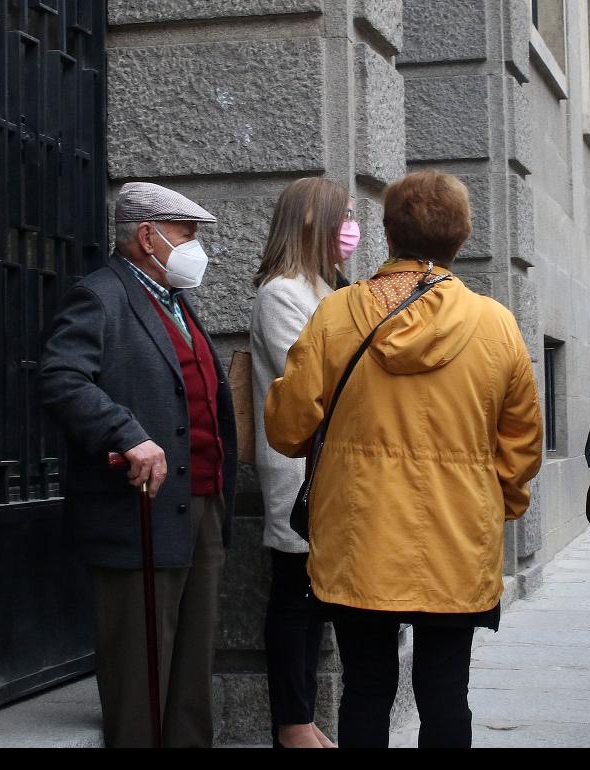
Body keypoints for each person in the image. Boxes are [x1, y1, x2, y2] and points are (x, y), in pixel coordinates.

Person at [264, 170, 543, 748]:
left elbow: (288, 429)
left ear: (387, 236)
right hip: (457, 535)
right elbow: (521, 443)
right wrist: (501, 503)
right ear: (461, 240)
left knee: (366, 689)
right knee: (446, 693)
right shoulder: (496, 325)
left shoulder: (336, 315)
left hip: (358, 534)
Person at [39, 182, 238, 748]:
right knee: (140, 674)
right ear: (147, 236)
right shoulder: (100, 296)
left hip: (198, 505)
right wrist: (126, 433)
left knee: (192, 665)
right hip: (140, 512)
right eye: (186, 234)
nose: (195, 247)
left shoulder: (172, 299)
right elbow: (60, 378)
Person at [250, 177, 359, 749]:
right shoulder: (282, 293)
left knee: (318, 605)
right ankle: (292, 725)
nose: (353, 228)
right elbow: (319, 381)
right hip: (301, 473)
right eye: (344, 215)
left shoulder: (330, 287)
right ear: (311, 223)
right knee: (295, 599)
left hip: (337, 473)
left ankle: (305, 719)